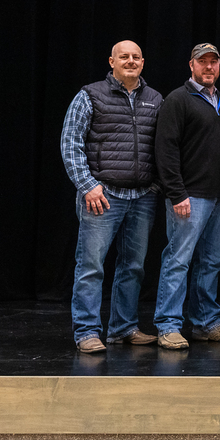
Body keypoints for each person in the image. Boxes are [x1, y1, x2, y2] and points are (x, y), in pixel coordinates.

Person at [60, 40, 162, 353]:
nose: (130, 61)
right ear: (112, 61)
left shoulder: (155, 99)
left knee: (133, 267)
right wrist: (88, 185)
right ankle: (87, 332)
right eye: (124, 57)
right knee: (91, 266)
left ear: (143, 62)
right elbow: (70, 143)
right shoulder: (89, 95)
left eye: (135, 57)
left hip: (142, 197)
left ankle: (123, 328)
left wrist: (156, 184)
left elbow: (164, 147)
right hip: (102, 196)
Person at [154, 43, 220, 350]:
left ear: (219, 66)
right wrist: (176, 193)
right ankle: (168, 325)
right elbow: (165, 150)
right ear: (191, 65)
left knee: (212, 263)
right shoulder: (178, 100)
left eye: (213, 62)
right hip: (189, 196)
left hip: (219, 198)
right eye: (202, 62)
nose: (208, 67)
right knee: (178, 260)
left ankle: (206, 323)